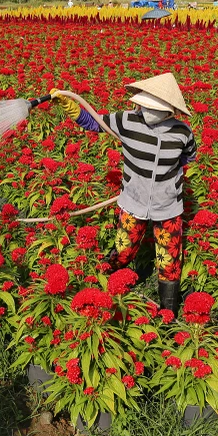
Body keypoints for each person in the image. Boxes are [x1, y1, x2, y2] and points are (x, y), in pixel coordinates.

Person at [51, 73, 197, 312]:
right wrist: (71, 108)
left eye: (154, 108)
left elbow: (188, 157)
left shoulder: (183, 132)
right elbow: (94, 123)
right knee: (123, 250)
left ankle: (167, 313)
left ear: (169, 110)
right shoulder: (127, 121)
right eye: (145, 105)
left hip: (168, 206)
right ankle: (100, 287)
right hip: (133, 201)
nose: (147, 111)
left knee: (169, 260)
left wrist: (166, 178)